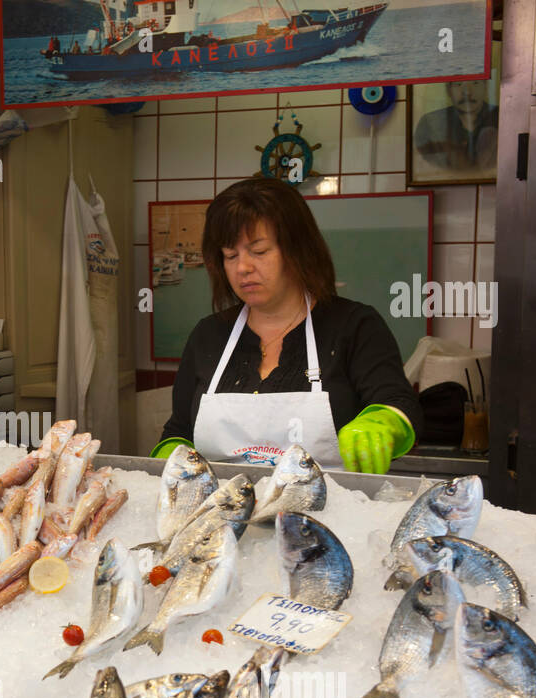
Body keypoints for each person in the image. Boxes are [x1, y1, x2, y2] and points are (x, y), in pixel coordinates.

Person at [152, 177, 422, 474]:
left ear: (297, 251)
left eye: (259, 251)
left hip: (327, 513)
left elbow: (397, 401)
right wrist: (170, 453)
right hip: (226, 512)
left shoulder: (354, 326)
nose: (243, 267)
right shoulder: (209, 335)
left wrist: (382, 422)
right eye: (230, 255)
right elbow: (179, 429)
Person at [413, 79, 498, 172]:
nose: (467, 92)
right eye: (458, 84)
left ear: (486, 86)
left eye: (475, 82)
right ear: (448, 90)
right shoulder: (429, 123)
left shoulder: (502, 118)